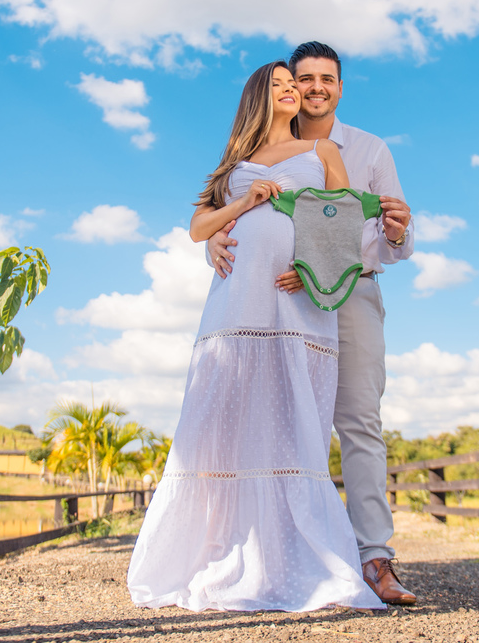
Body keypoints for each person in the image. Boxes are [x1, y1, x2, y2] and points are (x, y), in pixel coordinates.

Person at [126, 61, 387, 612]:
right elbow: (199, 227)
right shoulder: (234, 165)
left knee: (293, 418)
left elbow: (343, 220)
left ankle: (297, 560)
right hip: (235, 304)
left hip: (298, 303)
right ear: (258, 97)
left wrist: (315, 269)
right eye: (280, 84)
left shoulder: (322, 152)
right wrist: (243, 205)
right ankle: (217, 553)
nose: (292, 90)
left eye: (295, 84)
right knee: (223, 417)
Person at [208, 41, 417, 605]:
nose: (315, 88)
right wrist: (216, 243)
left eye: (327, 79)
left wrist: (398, 232)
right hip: (276, 300)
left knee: (358, 420)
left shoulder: (369, 149)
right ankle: (280, 552)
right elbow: (228, 210)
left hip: (351, 293)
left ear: (340, 87)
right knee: (276, 419)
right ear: (289, 85)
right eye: (304, 79)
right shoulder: (259, 144)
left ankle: (374, 557)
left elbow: (391, 236)